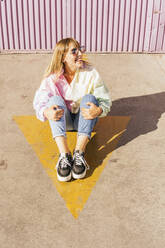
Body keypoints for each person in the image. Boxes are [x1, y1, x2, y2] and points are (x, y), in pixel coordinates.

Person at [33, 37, 111, 182]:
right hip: (65, 121)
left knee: (89, 99)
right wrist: (46, 111)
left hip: (85, 120)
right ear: (63, 57)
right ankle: (65, 155)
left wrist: (99, 110)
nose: (80, 54)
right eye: (74, 51)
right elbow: (39, 99)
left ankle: (79, 153)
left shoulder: (90, 72)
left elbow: (105, 99)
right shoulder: (53, 77)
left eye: (80, 49)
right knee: (54, 101)